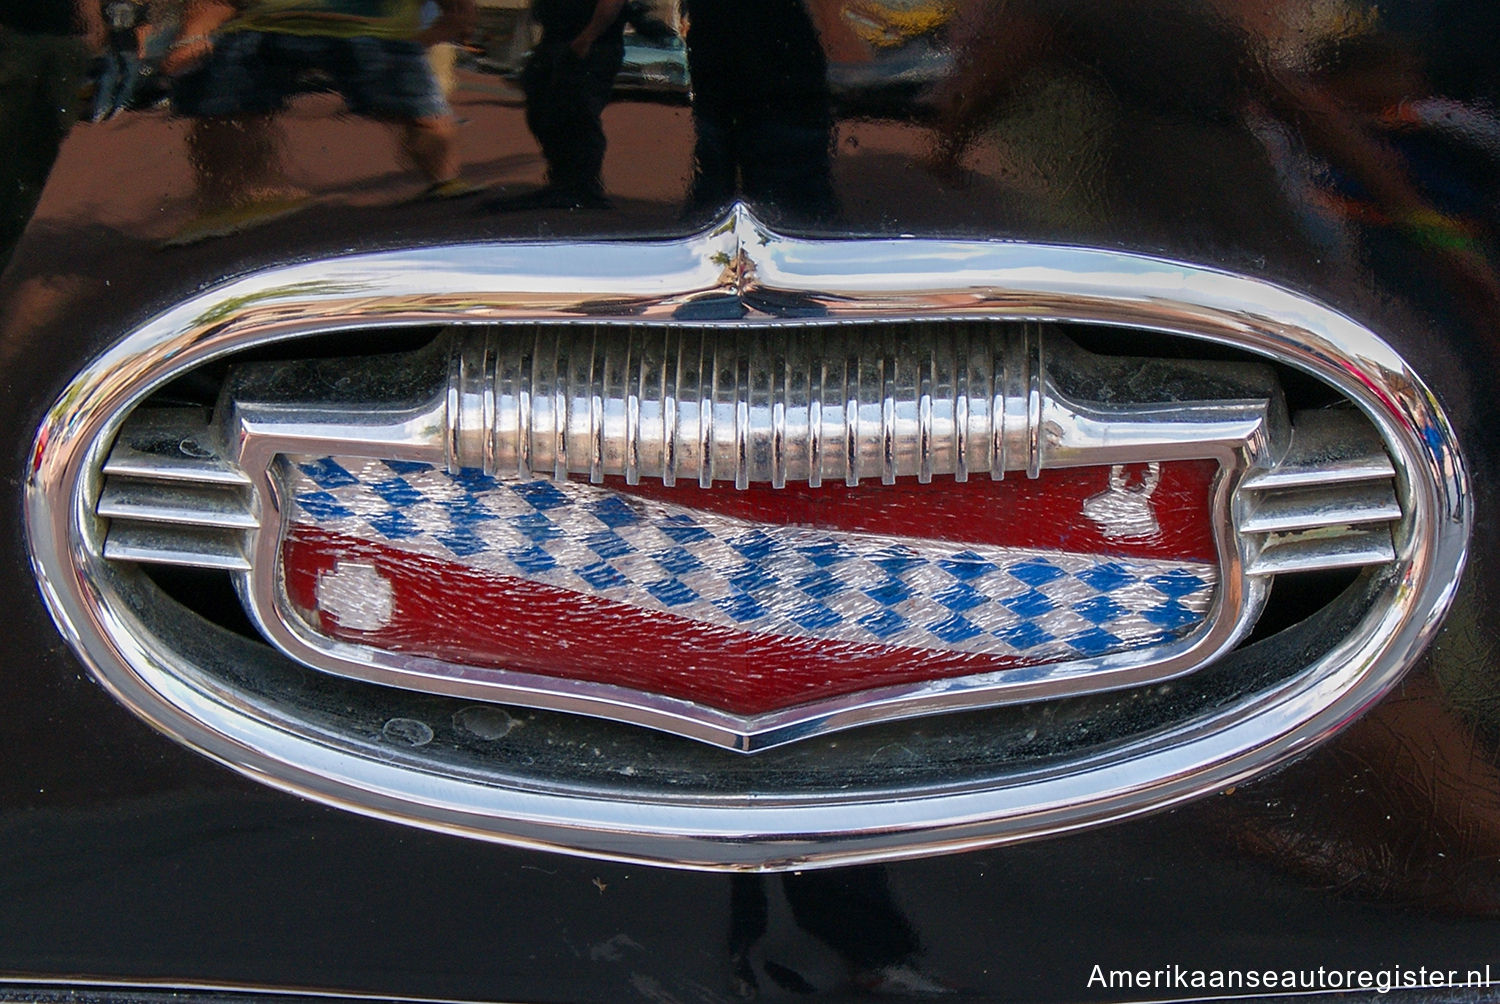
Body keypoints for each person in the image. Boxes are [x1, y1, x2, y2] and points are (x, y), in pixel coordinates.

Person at [161, 0, 476, 241]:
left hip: (373, 29)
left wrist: (453, 19)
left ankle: (446, 185)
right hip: (263, 28)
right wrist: (190, 36)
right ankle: (224, 204)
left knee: (419, 114)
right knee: (221, 107)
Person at [492, 0, 626, 210]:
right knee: (544, 110)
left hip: (589, 44)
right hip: (556, 40)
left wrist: (588, 37)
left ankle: (582, 187)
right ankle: (564, 181)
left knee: (576, 111)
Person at [92, 0, 150, 121]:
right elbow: (141, 29)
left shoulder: (108, 5)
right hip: (129, 45)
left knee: (108, 75)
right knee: (131, 76)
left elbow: (102, 27)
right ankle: (120, 104)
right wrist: (142, 47)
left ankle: (100, 108)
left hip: (112, 45)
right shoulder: (137, 6)